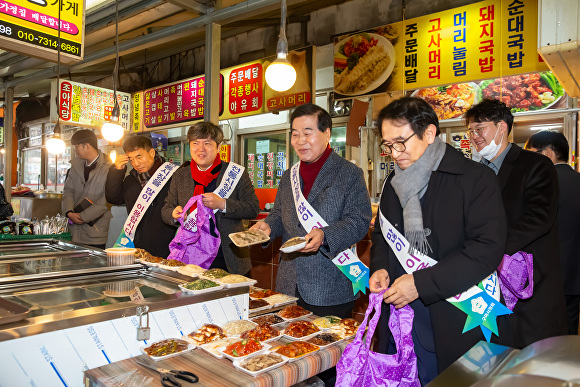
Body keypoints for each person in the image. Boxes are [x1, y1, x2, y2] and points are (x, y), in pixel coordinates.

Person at [370, 97, 506, 384]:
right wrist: (380, 267)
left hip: (454, 310)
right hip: (400, 311)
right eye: (387, 145)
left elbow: (486, 249)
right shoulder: (393, 184)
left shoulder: (473, 178)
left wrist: (421, 284)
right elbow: (382, 234)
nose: (393, 153)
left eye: (400, 142)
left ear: (429, 133)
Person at [252, 103, 372, 318]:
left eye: (308, 133)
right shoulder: (289, 175)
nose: (300, 141)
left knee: (330, 349)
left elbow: (359, 221)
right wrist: (267, 226)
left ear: (327, 133)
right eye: (295, 134)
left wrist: (326, 235)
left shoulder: (349, 173)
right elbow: (279, 213)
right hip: (289, 283)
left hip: (330, 286)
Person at [465, 99, 568, 347]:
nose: (474, 136)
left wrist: (489, 248)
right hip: (485, 284)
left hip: (528, 284)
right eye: (470, 130)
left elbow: (538, 218)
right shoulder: (473, 173)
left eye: (480, 129)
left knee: (533, 359)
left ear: (502, 127)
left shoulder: (535, 165)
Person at [161, 122, 259, 274]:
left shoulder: (236, 173)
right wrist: (174, 214)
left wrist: (223, 204)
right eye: (195, 143)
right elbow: (166, 208)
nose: (201, 149)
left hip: (227, 258)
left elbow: (253, 208)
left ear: (218, 147)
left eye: (207, 143)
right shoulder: (180, 175)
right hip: (190, 257)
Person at [525, 130, 580, 335]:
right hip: (575, 277)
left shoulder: (539, 184)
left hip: (544, 274)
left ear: (547, 154)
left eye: (531, 154)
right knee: (570, 329)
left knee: (545, 334)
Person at [105, 136, 177, 258]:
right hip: (139, 245)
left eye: (139, 157)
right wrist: (117, 171)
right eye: (131, 159)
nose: (136, 164)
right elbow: (113, 198)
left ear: (152, 152)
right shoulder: (131, 180)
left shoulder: (174, 175)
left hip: (169, 247)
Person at [62, 129, 112, 249]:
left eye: (77, 146)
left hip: (95, 231)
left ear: (87, 145)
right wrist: (69, 212)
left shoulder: (109, 167)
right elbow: (68, 190)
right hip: (73, 231)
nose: (75, 150)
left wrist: (83, 216)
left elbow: (108, 199)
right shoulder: (75, 166)